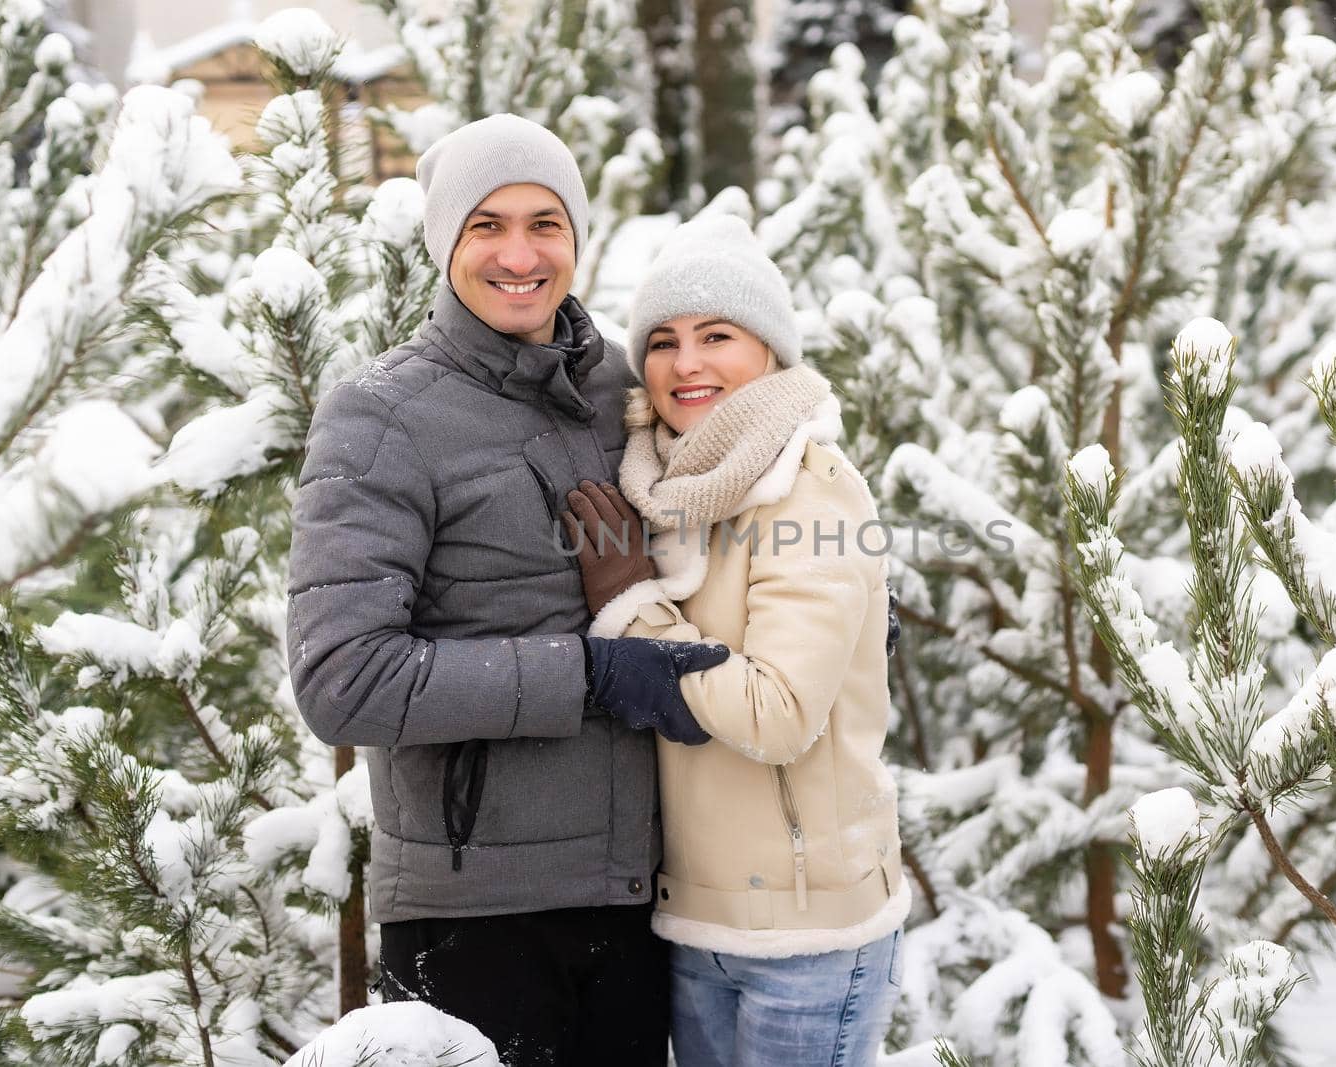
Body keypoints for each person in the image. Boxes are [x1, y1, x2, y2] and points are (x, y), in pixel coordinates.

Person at [286, 114, 727, 1066]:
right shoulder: (382, 416)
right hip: (476, 914)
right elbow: (341, 678)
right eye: (486, 226)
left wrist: (828, 598)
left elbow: (720, 528)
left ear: (577, 238)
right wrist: (588, 674)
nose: (519, 253)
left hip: (644, 894)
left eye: (545, 223)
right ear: (446, 244)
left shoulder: (626, 384)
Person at [562, 214, 908, 1066]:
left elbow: (780, 711)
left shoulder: (808, 491)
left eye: (717, 335)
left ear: (770, 350)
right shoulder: (668, 486)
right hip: (693, 919)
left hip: (810, 936)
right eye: (665, 340)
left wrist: (635, 606)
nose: (687, 364)